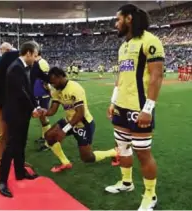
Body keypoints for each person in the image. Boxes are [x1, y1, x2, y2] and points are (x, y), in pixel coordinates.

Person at [105, 4, 165, 211]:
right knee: (121, 148)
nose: (116, 23)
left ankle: (150, 195)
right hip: (121, 107)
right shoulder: (123, 46)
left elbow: (157, 76)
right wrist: (113, 102)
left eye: (118, 19)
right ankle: (126, 183)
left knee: (143, 153)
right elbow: (121, 77)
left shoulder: (150, 41)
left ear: (129, 18)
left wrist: (148, 108)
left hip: (139, 109)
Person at [0, 41, 49, 198]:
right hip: (15, 114)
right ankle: (1, 181)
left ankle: (20, 172)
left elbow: (28, 91)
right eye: (35, 55)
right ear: (28, 53)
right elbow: (20, 93)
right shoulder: (15, 68)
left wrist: (36, 106)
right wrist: (33, 108)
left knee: (21, 143)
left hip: (22, 113)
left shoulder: (23, 67)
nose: (36, 58)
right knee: (11, 146)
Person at [43, 67, 118, 173]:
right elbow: (52, 110)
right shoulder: (56, 91)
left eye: (53, 82)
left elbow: (80, 114)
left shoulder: (74, 88)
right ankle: (65, 163)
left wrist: (64, 130)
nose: (52, 85)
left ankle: (114, 152)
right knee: (49, 136)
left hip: (83, 124)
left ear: (60, 77)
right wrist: (43, 112)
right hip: (69, 120)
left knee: (87, 158)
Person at [33, 51, 51, 151]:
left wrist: (48, 92)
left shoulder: (42, 63)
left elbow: (46, 81)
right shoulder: (37, 63)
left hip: (42, 94)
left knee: (43, 116)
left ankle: (48, 141)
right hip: (38, 93)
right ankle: (44, 136)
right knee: (41, 117)